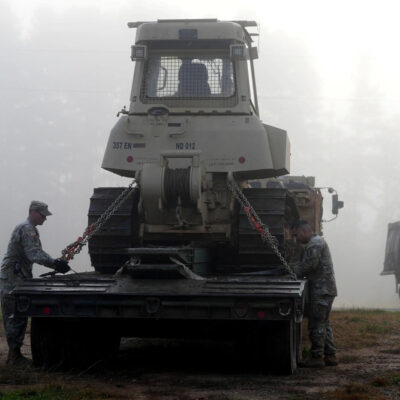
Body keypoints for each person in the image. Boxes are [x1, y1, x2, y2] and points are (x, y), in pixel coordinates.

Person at [0, 201, 70, 366]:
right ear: (33, 212)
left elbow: (35, 253)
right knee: (14, 314)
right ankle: (14, 356)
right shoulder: (26, 228)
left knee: (19, 314)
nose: (45, 219)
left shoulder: (30, 229)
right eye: (43, 215)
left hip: (18, 276)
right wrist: (55, 263)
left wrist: (56, 262)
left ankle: (14, 355)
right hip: (12, 278)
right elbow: (34, 254)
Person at [291, 220, 338, 368]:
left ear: (305, 231)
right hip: (325, 290)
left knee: (316, 322)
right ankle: (330, 356)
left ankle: (317, 357)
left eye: (296, 234)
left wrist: (290, 270)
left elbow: (309, 266)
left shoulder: (315, 244)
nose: (296, 239)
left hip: (321, 290)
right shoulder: (316, 242)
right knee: (324, 323)